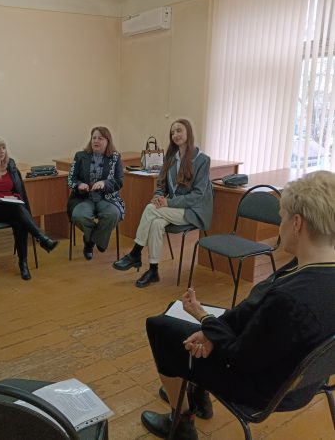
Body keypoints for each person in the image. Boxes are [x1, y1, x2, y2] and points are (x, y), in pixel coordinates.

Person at [141, 170, 335, 440]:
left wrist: (205, 319)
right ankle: (198, 395)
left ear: (297, 223)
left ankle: (182, 421)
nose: (280, 227)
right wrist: (213, 326)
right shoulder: (310, 268)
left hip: (265, 388)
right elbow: (258, 314)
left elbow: (239, 357)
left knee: (160, 328)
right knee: (206, 328)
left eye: (281, 218)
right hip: (304, 381)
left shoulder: (290, 299)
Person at [113, 119, 212, 287]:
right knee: (156, 223)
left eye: (179, 130)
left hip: (193, 210)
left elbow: (198, 195)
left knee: (151, 209)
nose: (176, 135)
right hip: (172, 208)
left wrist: (168, 202)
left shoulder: (202, 159)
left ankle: (135, 253)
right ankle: (153, 270)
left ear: (188, 132)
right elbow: (161, 184)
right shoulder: (170, 158)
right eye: (173, 132)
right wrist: (158, 196)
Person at [0, 137, 58, 280]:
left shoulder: (10, 167)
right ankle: (41, 238)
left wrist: (14, 198)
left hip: (12, 208)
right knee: (17, 211)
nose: (1, 151)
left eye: (3, 148)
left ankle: (23, 263)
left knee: (19, 221)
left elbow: (18, 190)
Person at [67, 127, 124, 260]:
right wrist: (79, 185)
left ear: (107, 141)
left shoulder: (115, 157)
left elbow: (119, 181)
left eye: (100, 138)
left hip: (107, 197)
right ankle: (97, 238)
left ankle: (90, 241)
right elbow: (70, 179)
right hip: (83, 198)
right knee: (79, 216)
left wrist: (104, 183)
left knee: (113, 214)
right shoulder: (80, 156)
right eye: (94, 138)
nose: (96, 141)